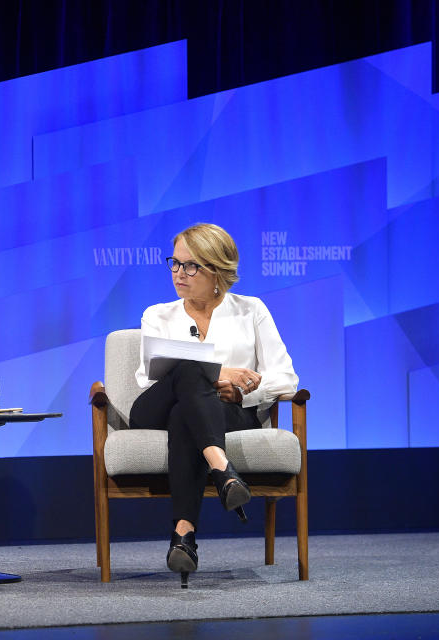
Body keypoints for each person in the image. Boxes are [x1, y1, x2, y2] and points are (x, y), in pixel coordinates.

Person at [129, 223, 297, 588]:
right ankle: (223, 470)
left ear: (217, 270)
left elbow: (285, 378)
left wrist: (242, 393)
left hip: (228, 413)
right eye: (174, 263)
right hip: (153, 409)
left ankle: (184, 536)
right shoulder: (158, 314)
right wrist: (219, 376)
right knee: (188, 369)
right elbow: (148, 378)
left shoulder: (251, 311)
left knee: (185, 415)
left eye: (191, 266)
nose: (179, 274)